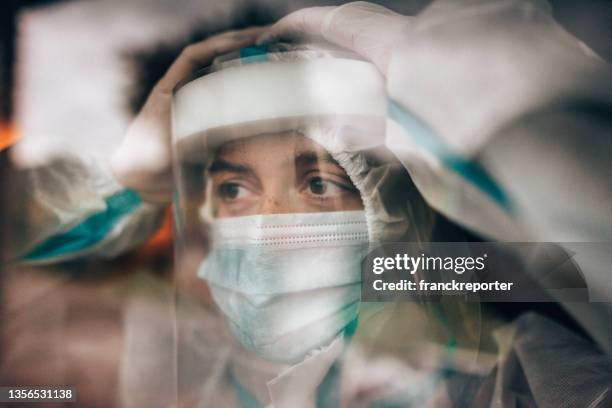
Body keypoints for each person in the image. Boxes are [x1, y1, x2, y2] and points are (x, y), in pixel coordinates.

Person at [7, 1, 612, 406]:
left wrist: (435, 78)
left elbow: (586, 255)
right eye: (234, 188)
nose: (270, 228)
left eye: (320, 185)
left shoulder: (501, 377)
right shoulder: (115, 360)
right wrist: (129, 172)